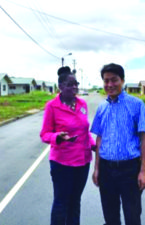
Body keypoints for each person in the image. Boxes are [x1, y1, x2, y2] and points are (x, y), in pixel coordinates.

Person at [91, 63, 145, 225]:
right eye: (106, 81)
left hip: (129, 170)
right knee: (110, 217)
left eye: (114, 80)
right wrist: (97, 169)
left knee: (132, 216)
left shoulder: (136, 105)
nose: (109, 85)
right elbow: (99, 139)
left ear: (122, 80)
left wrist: (143, 171)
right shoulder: (102, 107)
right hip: (106, 169)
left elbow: (144, 137)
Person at [40, 66, 95, 225]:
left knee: (75, 201)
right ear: (61, 86)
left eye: (76, 84)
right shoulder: (52, 106)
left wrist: (94, 146)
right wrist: (58, 137)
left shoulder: (82, 104)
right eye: (70, 84)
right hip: (62, 163)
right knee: (61, 202)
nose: (75, 87)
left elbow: (85, 132)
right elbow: (44, 134)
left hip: (83, 162)